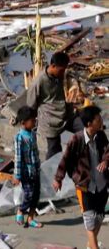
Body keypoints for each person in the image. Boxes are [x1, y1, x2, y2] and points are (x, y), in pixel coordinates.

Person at [53, 106, 109, 249]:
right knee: (90, 222)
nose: (101, 120)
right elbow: (65, 160)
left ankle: (90, 244)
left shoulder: (101, 136)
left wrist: (105, 161)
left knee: (99, 217)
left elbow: (107, 151)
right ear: (89, 124)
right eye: (98, 119)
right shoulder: (76, 139)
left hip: (102, 184)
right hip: (84, 186)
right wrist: (58, 178)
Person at [27, 52, 76, 160]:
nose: (63, 73)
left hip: (65, 113)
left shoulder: (59, 74)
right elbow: (30, 106)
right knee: (54, 151)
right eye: (61, 70)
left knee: (85, 128)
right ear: (53, 66)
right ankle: (51, 172)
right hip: (50, 121)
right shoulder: (38, 82)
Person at [13, 105, 43, 228]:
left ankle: (30, 218)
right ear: (23, 122)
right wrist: (17, 175)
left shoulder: (33, 134)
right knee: (29, 194)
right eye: (32, 120)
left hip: (35, 170)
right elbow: (18, 158)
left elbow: (36, 152)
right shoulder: (19, 138)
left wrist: (38, 166)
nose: (34, 122)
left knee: (36, 195)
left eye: (35, 119)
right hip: (25, 172)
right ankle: (21, 210)